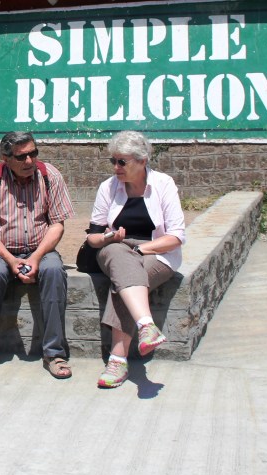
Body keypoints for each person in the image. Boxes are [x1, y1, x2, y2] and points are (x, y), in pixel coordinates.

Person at [0, 131, 75, 377]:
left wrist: (36, 257)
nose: (29, 161)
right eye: (21, 157)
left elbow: (57, 224)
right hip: (3, 250)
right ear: (6, 158)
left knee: (55, 272)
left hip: (42, 248)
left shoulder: (50, 176)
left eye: (33, 154)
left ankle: (55, 354)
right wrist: (10, 259)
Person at [86, 130, 185, 388]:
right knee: (122, 260)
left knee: (125, 280)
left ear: (142, 161)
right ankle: (146, 325)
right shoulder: (108, 187)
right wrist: (108, 239)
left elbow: (175, 237)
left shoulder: (163, 184)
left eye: (122, 162)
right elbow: (92, 238)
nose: (116, 167)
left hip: (157, 252)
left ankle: (118, 361)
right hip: (115, 248)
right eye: (113, 161)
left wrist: (142, 250)